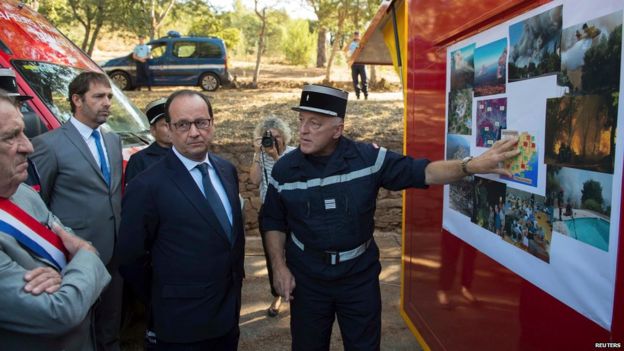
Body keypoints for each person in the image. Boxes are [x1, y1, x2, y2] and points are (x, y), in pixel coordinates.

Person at [262, 84, 520, 350]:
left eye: (315, 123)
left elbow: (426, 172)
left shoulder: (368, 159)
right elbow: (272, 220)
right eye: (301, 120)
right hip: (308, 280)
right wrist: (279, 267)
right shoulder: (285, 169)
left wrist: (471, 166)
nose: (303, 130)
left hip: (358, 279)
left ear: (338, 129)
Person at [117, 90, 245, 350]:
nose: (194, 132)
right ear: (170, 129)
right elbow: (131, 258)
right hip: (179, 323)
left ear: (212, 123)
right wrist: (163, 297)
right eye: (183, 124)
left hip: (227, 318)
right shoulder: (147, 185)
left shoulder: (226, 170)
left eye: (201, 122)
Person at [0, 90, 111, 350]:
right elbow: (60, 312)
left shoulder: (22, 192)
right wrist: (85, 255)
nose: (29, 146)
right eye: (10, 137)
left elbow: (67, 236)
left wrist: (68, 276)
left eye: (23, 132)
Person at [30, 71, 124, 351]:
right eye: (98, 96)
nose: (107, 102)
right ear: (77, 100)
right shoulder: (49, 144)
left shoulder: (113, 141)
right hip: (74, 259)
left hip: (115, 254)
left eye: (109, 96)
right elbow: (39, 207)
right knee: (79, 333)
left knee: (111, 328)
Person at [250, 116, 295, 317]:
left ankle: (297, 294)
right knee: (273, 257)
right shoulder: (261, 156)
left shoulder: (294, 154)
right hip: (269, 212)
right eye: (268, 137)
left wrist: (276, 157)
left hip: (292, 211)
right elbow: (254, 180)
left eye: (277, 136)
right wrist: (257, 154)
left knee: (295, 254)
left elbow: (291, 178)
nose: (273, 141)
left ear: (284, 137)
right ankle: (277, 294)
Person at [125, 98, 171, 185]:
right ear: (153, 130)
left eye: (174, 124)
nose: (171, 128)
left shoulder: (188, 154)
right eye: (165, 125)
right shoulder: (139, 160)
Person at [345, 31, 368, 100]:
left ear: (359, 36)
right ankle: (357, 95)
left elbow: (367, 51)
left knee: (364, 80)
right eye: (355, 35)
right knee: (355, 81)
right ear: (354, 36)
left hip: (361, 63)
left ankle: (366, 95)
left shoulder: (362, 43)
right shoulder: (351, 44)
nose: (356, 36)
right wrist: (348, 59)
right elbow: (345, 51)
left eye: (358, 35)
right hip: (354, 64)